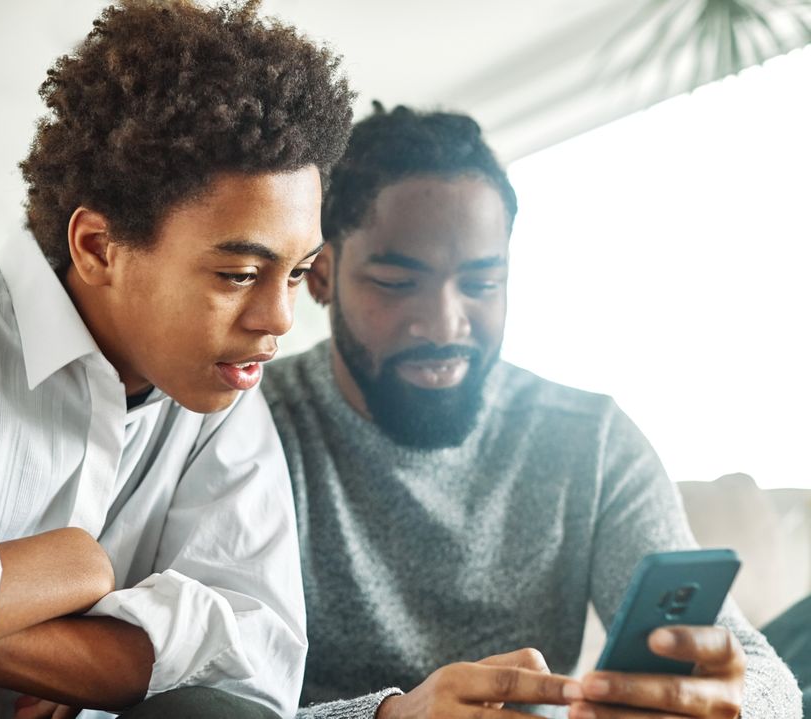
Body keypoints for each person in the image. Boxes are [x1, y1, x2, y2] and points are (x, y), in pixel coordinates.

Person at [0, 2, 353, 718]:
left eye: (295, 271)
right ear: (99, 247)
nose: (278, 319)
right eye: (237, 275)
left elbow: (255, 664)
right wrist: (76, 572)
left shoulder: (225, 402)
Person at [261, 104, 802, 719]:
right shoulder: (248, 424)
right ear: (321, 275)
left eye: (482, 283)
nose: (445, 323)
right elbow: (186, 702)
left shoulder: (590, 442)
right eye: (395, 281)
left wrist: (728, 701)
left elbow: (761, 674)